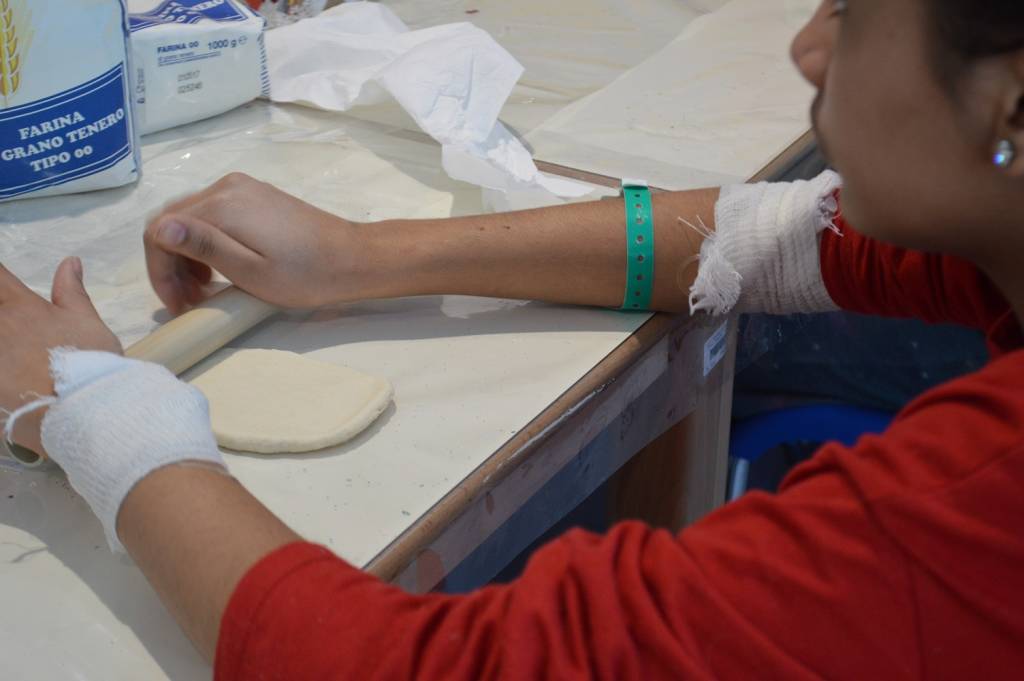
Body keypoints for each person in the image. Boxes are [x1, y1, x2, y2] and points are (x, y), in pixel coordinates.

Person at [2, 0, 1023, 677]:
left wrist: (92, 407)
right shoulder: (990, 221)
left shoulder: (980, 500)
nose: (807, 45)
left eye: (853, 10)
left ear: (1011, 98)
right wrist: (363, 255)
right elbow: (782, 238)